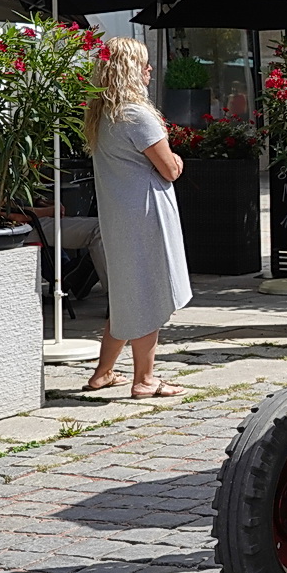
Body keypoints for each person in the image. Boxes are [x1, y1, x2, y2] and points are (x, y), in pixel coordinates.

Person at [81, 38, 191, 398]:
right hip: (146, 215)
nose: (149, 71)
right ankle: (145, 379)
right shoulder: (137, 115)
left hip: (118, 215)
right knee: (149, 294)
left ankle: (103, 372)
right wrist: (178, 162)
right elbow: (170, 168)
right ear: (130, 70)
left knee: (129, 293)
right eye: (143, 64)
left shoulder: (102, 115)